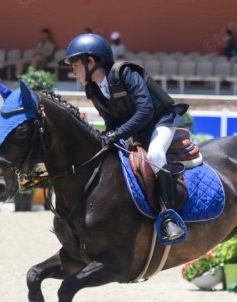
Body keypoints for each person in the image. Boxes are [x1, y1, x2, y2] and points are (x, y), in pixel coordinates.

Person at [60, 32, 190, 244]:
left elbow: (146, 110)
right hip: (136, 130)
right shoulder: (93, 89)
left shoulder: (125, 73)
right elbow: (110, 120)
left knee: (156, 155)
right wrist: (108, 137)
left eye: (75, 66)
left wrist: (118, 134)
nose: (72, 73)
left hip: (160, 122)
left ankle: (169, 216)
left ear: (90, 61)